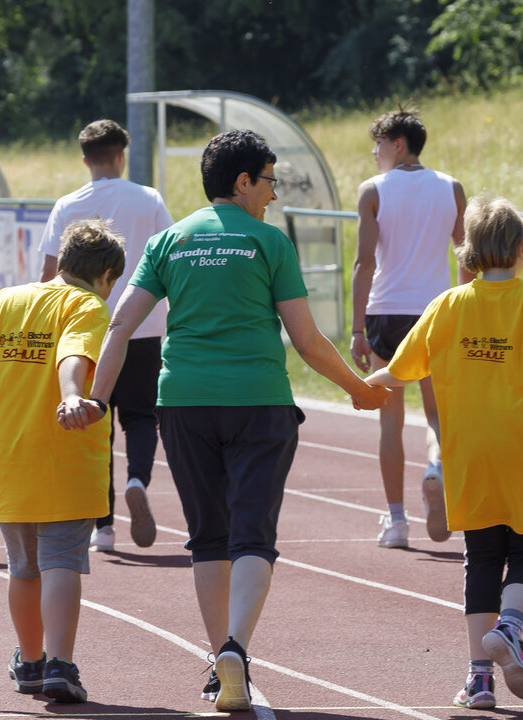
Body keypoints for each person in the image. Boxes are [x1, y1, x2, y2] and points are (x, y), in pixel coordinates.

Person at [59, 130, 388, 711]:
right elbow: (307, 340)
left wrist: (98, 400)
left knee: (207, 537)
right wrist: (358, 389)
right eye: (269, 181)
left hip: (183, 403)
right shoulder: (267, 242)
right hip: (259, 401)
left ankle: (218, 662)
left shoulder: (167, 241)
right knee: (253, 534)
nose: (274, 195)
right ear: (243, 182)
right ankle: (236, 646)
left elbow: (118, 325)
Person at [365, 196, 523, 710]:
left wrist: (361, 386)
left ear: (468, 253)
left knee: (481, 558)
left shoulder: (447, 305)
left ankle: (479, 679)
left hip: (471, 456)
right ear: (521, 249)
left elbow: (400, 367)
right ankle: (510, 626)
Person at [0, 219, 125, 703]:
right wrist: (74, 397)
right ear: (107, 278)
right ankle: (60, 664)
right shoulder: (88, 305)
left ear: (63, 262)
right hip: (65, 448)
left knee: (23, 565)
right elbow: (72, 355)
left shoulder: (3, 302)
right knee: (61, 561)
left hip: (5, 451)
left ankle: (29, 662)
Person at [37, 119, 173, 552]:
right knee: (141, 417)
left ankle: (104, 527)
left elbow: (49, 274)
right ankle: (138, 477)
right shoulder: (148, 199)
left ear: (84, 159)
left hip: (86, 329)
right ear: (121, 154)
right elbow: (169, 256)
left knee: (98, 426)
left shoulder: (66, 205)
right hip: (143, 325)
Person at [349, 106, 470, 549]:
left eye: (378, 145)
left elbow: (364, 263)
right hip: (437, 311)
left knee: (390, 420)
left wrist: (357, 328)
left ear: (398, 144)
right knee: (438, 414)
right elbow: (465, 257)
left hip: (387, 312)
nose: (375, 154)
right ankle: (436, 470)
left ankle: (397, 522)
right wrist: (461, 309)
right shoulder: (452, 187)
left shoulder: (373, 190)